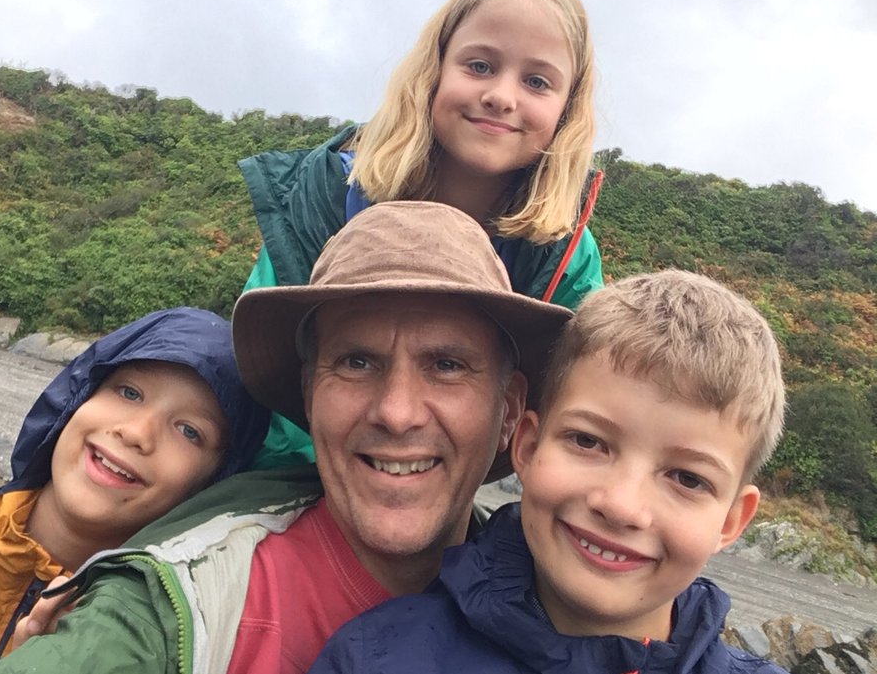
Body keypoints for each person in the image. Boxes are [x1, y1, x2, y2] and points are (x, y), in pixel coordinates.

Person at [0, 200, 572, 674]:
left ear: (510, 411)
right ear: (309, 393)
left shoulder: (565, 591)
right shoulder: (178, 603)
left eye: (447, 365)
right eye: (356, 362)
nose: (398, 412)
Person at [307, 269, 789, 674]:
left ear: (732, 521)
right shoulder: (374, 659)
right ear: (528, 446)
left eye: (687, 478)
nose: (621, 506)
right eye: (588, 442)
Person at [239, 0, 603, 470]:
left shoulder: (564, 251)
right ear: (433, 71)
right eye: (479, 65)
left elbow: (573, 406)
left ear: (568, 109)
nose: (502, 96)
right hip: (295, 470)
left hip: (461, 480)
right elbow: (264, 376)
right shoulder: (324, 198)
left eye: (537, 81)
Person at [0, 307, 270, 673]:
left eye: (189, 431)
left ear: (213, 481)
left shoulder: (158, 643)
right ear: (78, 395)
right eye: (129, 392)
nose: (136, 433)